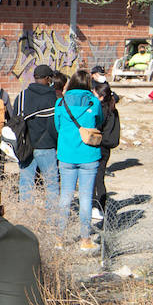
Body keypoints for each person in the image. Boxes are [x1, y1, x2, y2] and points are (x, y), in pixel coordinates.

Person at [54, 70, 103, 251]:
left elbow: (57, 126)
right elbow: (99, 121)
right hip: (89, 155)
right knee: (85, 197)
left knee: (65, 197)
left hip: (66, 154)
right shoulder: (94, 102)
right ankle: (85, 239)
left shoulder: (61, 102)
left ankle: (59, 238)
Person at [13, 64, 59, 213]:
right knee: (51, 184)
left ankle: (27, 218)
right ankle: (50, 220)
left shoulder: (22, 96)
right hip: (46, 147)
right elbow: (55, 126)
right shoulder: (53, 98)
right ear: (47, 79)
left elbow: (15, 122)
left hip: (25, 147)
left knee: (26, 184)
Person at [90, 69, 120, 218]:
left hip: (98, 145)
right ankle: (100, 207)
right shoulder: (113, 108)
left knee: (95, 178)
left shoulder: (100, 109)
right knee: (99, 177)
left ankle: (97, 206)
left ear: (101, 97)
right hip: (106, 148)